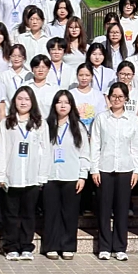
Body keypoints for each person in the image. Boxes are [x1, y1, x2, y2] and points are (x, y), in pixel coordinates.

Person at [0, 86, 50, 261]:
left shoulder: (40, 124)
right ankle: (11, 247)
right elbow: (0, 149)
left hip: (32, 176)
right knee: (11, 214)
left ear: (32, 102)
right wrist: (1, 175)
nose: (23, 102)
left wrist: (42, 176)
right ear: (14, 101)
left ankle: (26, 246)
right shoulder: (6, 123)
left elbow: (45, 151)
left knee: (28, 214)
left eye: (27, 99)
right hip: (11, 176)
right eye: (20, 99)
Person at [91, 82, 138, 261]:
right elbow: (95, 144)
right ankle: (104, 247)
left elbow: (135, 146)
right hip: (104, 169)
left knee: (122, 210)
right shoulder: (101, 118)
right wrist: (94, 169)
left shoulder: (132, 119)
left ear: (126, 99)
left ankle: (120, 247)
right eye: (114, 96)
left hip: (125, 169)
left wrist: (136, 170)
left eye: (121, 97)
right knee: (104, 210)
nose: (117, 100)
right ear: (109, 98)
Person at [42, 90, 90, 260]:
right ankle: (51, 246)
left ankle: (68, 246)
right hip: (50, 176)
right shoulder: (46, 126)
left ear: (71, 106)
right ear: (54, 105)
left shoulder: (78, 127)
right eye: (59, 102)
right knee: (51, 213)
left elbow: (84, 153)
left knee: (70, 213)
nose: (63, 105)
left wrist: (82, 176)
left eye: (66, 102)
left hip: (71, 175)